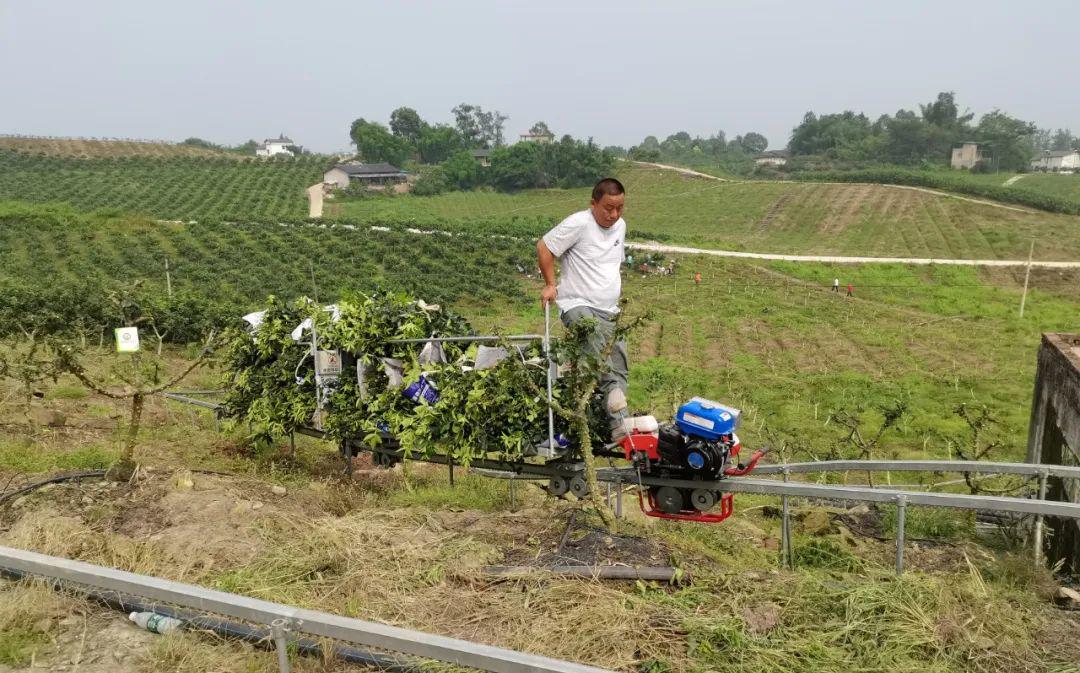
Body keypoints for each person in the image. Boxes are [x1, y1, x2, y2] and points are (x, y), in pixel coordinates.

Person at [537, 177, 629, 441]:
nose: (614, 214)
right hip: (576, 304)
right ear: (593, 204)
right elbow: (544, 247)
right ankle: (619, 420)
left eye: (620, 208)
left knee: (619, 362)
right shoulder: (579, 223)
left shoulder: (620, 226)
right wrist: (550, 284)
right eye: (608, 208)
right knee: (596, 346)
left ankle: (614, 428)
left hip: (609, 310)